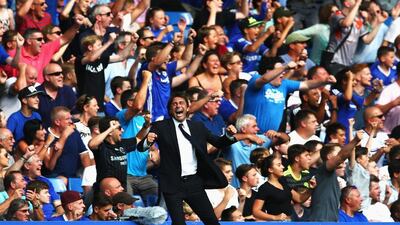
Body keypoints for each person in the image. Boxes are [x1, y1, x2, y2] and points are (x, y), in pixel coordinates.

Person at [138, 91, 239, 225]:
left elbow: (218, 142)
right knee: (179, 223)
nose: (178, 106)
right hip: (172, 184)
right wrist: (148, 141)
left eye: (181, 103)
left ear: (187, 107)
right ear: (170, 109)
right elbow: (141, 147)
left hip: (194, 183)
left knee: (211, 221)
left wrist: (229, 135)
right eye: (174, 104)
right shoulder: (160, 126)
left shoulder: (197, 126)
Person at [309, 131, 363, 221]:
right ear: (329, 157)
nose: (343, 157)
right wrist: (355, 140)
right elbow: (341, 157)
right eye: (338, 153)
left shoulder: (333, 175)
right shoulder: (324, 169)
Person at [252, 153, 314, 221]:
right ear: (270, 170)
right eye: (279, 165)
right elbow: (256, 211)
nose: (283, 167)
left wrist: (310, 188)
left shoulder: (284, 181)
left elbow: (299, 199)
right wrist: (275, 217)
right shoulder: (264, 188)